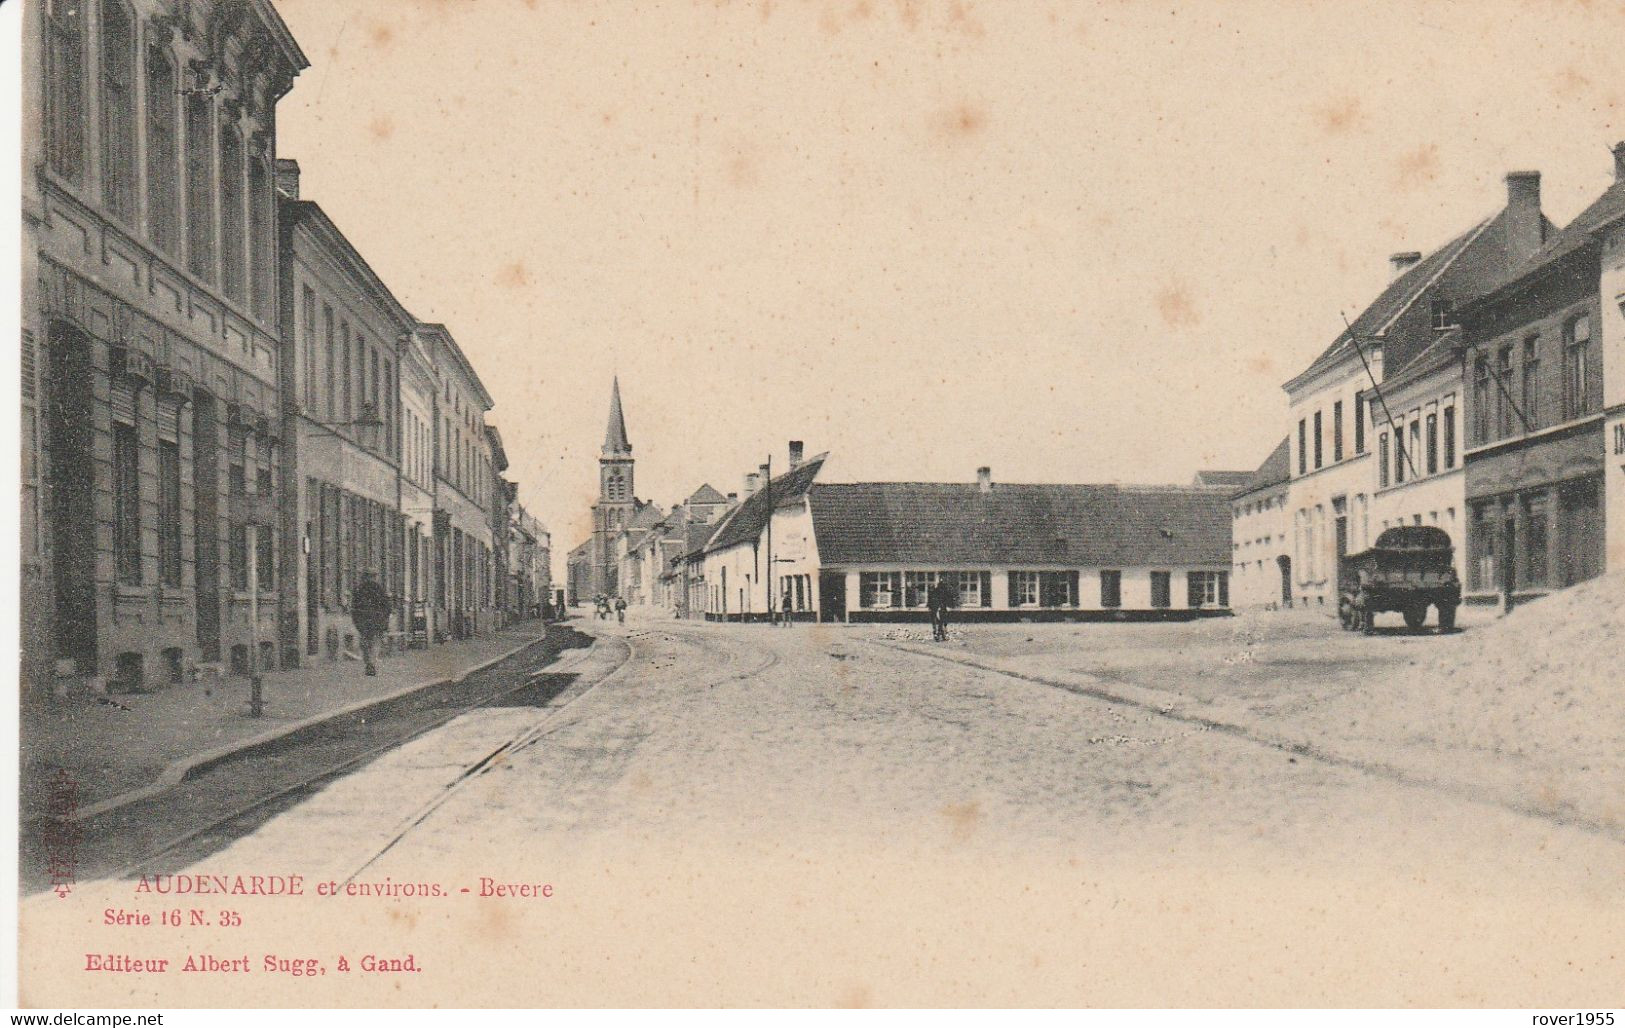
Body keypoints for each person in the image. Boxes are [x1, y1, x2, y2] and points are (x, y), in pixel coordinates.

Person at [351, 571, 393, 676]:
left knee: (365, 643)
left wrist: (357, 621)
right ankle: (371, 663)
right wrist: (384, 619)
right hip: (377, 621)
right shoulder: (379, 589)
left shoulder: (359, 589)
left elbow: (354, 607)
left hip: (364, 621)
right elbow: (387, 606)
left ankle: (369, 663)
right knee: (374, 642)